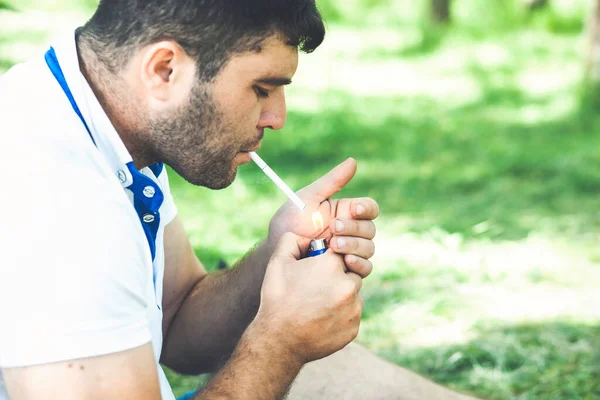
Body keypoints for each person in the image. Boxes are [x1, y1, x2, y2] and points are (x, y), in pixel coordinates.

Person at [0, 1, 477, 399]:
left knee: (332, 371)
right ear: (164, 69)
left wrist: (278, 251)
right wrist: (280, 344)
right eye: (262, 88)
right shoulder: (55, 195)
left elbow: (180, 323)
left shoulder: (102, 115)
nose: (276, 117)